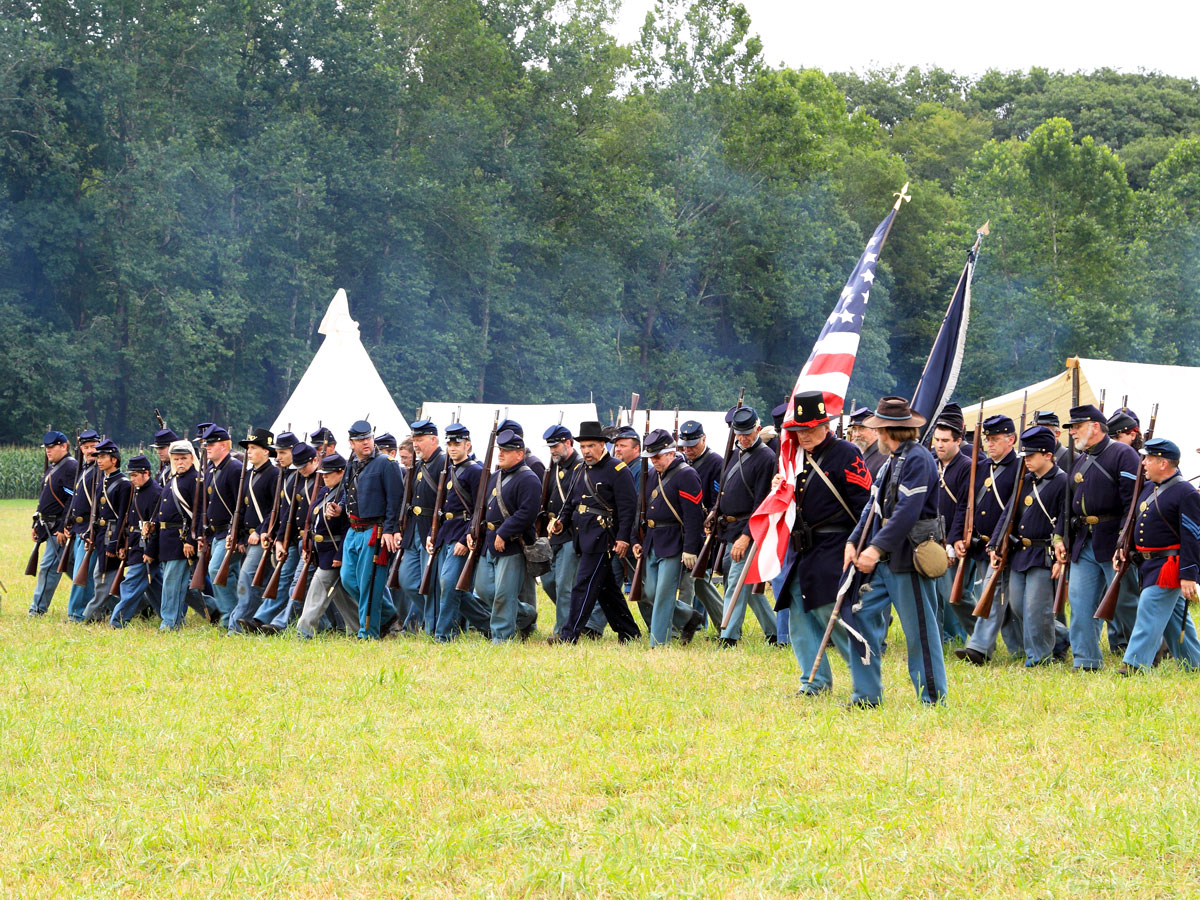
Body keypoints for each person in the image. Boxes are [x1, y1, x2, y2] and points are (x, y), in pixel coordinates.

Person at [845, 397, 947, 707]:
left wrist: (874, 550)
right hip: (886, 560)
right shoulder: (892, 460)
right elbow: (871, 507)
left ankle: (932, 699)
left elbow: (907, 511)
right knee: (858, 618)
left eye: (878, 430)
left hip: (909, 558)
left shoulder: (919, 459)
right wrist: (853, 542)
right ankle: (866, 696)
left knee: (921, 636)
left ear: (889, 431)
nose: (874, 434)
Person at [772, 391, 871, 694]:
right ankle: (813, 682)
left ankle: (867, 680)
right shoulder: (794, 457)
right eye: (799, 430)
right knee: (799, 616)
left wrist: (861, 546)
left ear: (826, 426)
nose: (804, 435)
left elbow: (863, 505)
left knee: (833, 613)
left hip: (836, 544)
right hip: (803, 548)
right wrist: (778, 488)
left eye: (811, 428)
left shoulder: (847, 453)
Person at [1055, 404, 1140, 671]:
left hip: (1114, 539)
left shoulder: (1123, 454)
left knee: (1127, 603)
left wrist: (1123, 542)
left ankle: (1145, 653)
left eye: (1077, 427)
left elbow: (1133, 503)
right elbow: (1066, 505)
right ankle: (1086, 660)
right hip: (1083, 540)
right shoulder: (1079, 459)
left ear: (1094, 426)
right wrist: (1060, 538)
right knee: (1080, 602)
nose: (1073, 433)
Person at [550, 421, 643, 644]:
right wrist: (560, 521)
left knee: (583, 585)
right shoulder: (580, 469)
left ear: (603, 445)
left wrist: (623, 538)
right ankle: (629, 632)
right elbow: (571, 502)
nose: (586, 451)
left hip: (604, 537)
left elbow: (629, 509)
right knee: (606, 589)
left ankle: (568, 635)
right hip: (583, 537)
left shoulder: (617, 470)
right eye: (583, 447)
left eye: (591, 446)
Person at [698, 406, 778, 647]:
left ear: (758, 429)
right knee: (745, 580)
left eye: (748, 433)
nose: (743, 438)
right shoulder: (735, 453)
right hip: (728, 528)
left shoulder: (766, 458)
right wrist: (714, 511)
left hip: (747, 528)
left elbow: (761, 502)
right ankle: (773, 631)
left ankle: (729, 636)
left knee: (735, 579)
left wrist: (746, 536)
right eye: (739, 433)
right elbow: (723, 491)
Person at [1119, 438, 1200, 673]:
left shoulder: (1185, 492)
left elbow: (1193, 537)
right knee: (1176, 621)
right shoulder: (1149, 488)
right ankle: (1194, 663)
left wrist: (1188, 575)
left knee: (1148, 611)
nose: (1143, 462)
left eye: (1148, 458)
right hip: (1149, 564)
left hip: (1169, 566)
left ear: (1163, 463)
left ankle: (1135, 664)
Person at [952, 414, 1024, 665]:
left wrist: (997, 542)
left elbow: (1012, 510)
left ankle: (978, 648)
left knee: (994, 596)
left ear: (1011, 440)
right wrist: (956, 538)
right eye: (988, 439)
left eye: (995, 439)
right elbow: (965, 505)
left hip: (1006, 545)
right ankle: (1046, 642)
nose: (989, 444)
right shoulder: (980, 467)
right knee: (1003, 601)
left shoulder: (1020, 469)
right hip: (980, 546)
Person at [998, 426, 1071, 665]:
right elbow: (1008, 515)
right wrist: (996, 545)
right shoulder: (1024, 480)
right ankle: (1062, 636)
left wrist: (1061, 552)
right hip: (1021, 552)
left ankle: (1039, 656)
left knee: (1035, 609)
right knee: (1018, 606)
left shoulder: (1062, 481)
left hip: (1044, 553)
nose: (1026, 460)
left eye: (1031, 456)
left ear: (1048, 455)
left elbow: (1064, 519)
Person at [631, 428, 705, 647]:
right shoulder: (652, 474)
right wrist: (636, 540)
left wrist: (690, 548)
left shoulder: (686, 474)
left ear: (671, 453)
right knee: (650, 592)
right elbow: (641, 509)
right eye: (651, 456)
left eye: (657, 456)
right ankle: (688, 617)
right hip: (653, 539)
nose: (654, 460)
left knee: (663, 594)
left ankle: (658, 643)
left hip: (674, 541)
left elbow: (693, 517)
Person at [470, 427, 540, 642]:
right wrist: (471, 531)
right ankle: (525, 613)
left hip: (511, 543)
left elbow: (527, 513)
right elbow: (481, 507)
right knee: (484, 590)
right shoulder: (495, 476)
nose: (500, 454)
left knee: (503, 594)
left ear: (519, 454)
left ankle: (501, 637)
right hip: (489, 541)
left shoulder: (529, 479)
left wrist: (504, 532)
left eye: (506, 451)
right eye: (500, 450)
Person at [335, 420, 403, 639]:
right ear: (351, 443)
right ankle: (389, 615)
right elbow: (348, 491)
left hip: (375, 530)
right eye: (360, 439)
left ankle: (368, 633)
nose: (366, 442)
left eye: (368, 438)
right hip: (353, 530)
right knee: (348, 580)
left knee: (369, 585)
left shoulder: (387, 463)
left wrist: (391, 530)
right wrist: (340, 508)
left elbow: (396, 501)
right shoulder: (352, 462)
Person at [430, 423, 491, 640]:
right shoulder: (449, 471)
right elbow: (442, 508)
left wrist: (466, 539)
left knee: (449, 585)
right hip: (446, 534)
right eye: (450, 444)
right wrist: (433, 535)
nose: (452, 448)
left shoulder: (474, 471)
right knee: (454, 589)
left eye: (457, 444)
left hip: (462, 535)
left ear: (468, 445)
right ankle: (491, 624)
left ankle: (443, 635)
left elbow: (479, 510)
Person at [296, 452, 362, 637]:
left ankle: (304, 632)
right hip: (320, 551)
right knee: (342, 597)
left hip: (334, 552)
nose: (323, 476)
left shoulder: (345, 495)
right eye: (323, 473)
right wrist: (308, 545)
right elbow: (313, 521)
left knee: (316, 594)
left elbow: (347, 529)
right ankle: (360, 629)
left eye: (328, 473)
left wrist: (340, 556)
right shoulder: (325, 491)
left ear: (341, 473)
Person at [929, 405, 974, 643]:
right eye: (937, 440)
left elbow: (963, 507)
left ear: (958, 441)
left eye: (945, 440)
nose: (939, 445)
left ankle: (980, 634)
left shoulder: (967, 466)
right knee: (934, 595)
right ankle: (939, 638)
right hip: (931, 539)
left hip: (952, 541)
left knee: (954, 595)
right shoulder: (931, 463)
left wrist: (951, 541)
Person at [147, 440, 201, 630]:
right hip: (166, 539)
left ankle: (168, 623)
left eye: (183, 458)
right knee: (178, 585)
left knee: (172, 583)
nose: (179, 462)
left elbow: (198, 513)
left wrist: (190, 540)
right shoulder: (173, 479)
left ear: (192, 458)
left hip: (181, 539)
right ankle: (179, 618)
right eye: (176, 459)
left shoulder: (195, 480)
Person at [230, 428, 279, 634]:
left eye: (253, 448)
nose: (248, 452)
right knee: (258, 581)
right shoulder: (248, 475)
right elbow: (242, 509)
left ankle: (237, 625)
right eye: (248, 449)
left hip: (262, 537)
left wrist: (259, 532)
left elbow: (275, 510)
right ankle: (255, 623)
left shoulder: (274, 474)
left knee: (247, 578)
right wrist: (239, 536)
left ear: (266, 451)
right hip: (249, 538)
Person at [541, 424, 586, 637]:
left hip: (571, 533)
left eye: (556, 446)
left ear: (568, 443)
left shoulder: (580, 467)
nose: (552, 451)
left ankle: (563, 632)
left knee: (564, 585)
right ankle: (572, 619)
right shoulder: (555, 467)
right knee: (549, 582)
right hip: (553, 535)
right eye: (550, 447)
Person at [108, 454, 164, 627]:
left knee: (130, 584)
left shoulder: (156, 493)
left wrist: (150, 551)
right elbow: (131, 522)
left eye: (134, 475)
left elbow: (155, 526)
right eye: (130, 475)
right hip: (135, 545)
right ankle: (174, 613)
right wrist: (124, 545)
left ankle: (117, 621)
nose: (131, 479)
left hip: (145, 547)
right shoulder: (137, 491)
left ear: (145, 473)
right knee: (156, 587)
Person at [678, 419, 724, 627]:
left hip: (704, 530)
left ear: (704, 439)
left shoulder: (715, 462)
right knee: (697, 580)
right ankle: (716, 621)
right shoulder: (683, 462)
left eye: (693, 444)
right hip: (685, 527)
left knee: (697, 578)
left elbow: (718, 499)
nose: (688, 449)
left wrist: (711, 515)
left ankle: (695, 622)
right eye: (685, 445)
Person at [28, 430, 78, 617]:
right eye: (46, 448)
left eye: (52, 447)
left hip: (58, 529)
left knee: (48, 568)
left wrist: (64, 527)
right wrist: (36, 524)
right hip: (47, 526)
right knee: (75, 571)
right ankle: (124, 603)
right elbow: (45, 500)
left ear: (64, 446)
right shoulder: (54, 467)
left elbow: (71, 500)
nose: (48, 451)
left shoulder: (71, 467)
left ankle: (37, 609)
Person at [81, 440, 131, 623]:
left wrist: (115, 541)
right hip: (101, 533)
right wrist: (90, 532)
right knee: (100, 575)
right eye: (98, 457)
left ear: (114, 460)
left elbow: (123, 516)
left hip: (112, 534)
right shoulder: (103, 480)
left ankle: (89, 616)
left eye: (103, 457)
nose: (99, 460)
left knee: (104, 577)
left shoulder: (123, 484)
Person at [404, 418, 445, 633]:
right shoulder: (418, 465)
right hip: (413, 530)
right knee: (408, 580)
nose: (416, 445)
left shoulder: (443, 463)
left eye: (420, 440)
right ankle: (440, 616)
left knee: (430, 585)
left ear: (433, 439)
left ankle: (433, 626)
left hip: (432, 528)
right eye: (414, 440)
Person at [201, 425, 244, 627]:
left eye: (211, 443)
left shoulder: (234, 468)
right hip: (216, 532)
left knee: (217, 570)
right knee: (224, 574)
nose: (207, 447)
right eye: (206, 444)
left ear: (225, 445)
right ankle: (237, 617)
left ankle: (231, 618)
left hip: (230, 531)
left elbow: (241, 504)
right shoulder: (212, 469)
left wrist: (239, 535)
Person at [63, 428, 101, 622]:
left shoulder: (99, 471)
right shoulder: (85, 468)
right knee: (81, 572)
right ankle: (91, 610)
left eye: (93, 446)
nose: (89, 450)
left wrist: (90, 530)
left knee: (81, 573)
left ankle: (77, 614)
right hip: (78, 527)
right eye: (86, 447)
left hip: (89, 529)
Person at [848, 406, 887, 478]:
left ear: (875, 430)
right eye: (854, 429)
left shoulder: (885, 456)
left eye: (861, 428)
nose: (857, 434)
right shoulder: (854, 453)